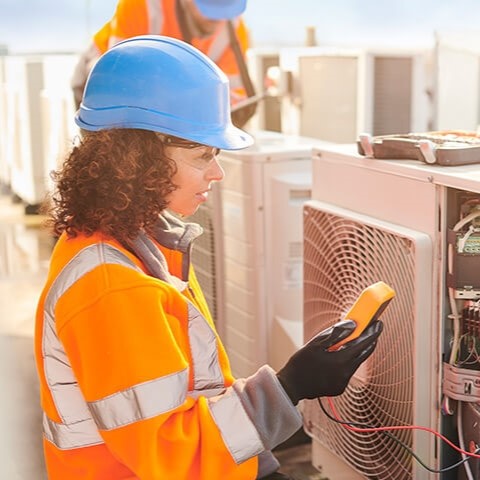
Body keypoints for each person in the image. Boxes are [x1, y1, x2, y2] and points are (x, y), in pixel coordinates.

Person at [35, 35, 383, 480]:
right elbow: (173, 457)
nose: (217, 172)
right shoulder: (113, 284)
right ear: (135, 159)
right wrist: (291, 386)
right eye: (202, 156)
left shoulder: (136, 242)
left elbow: (186, 406)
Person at [71, 0, 256, 127]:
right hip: (100, 81)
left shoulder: (236, 31)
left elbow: (236, 91)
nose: (217, 18)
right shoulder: (141, 6)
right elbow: (120, 80)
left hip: (175, 100)